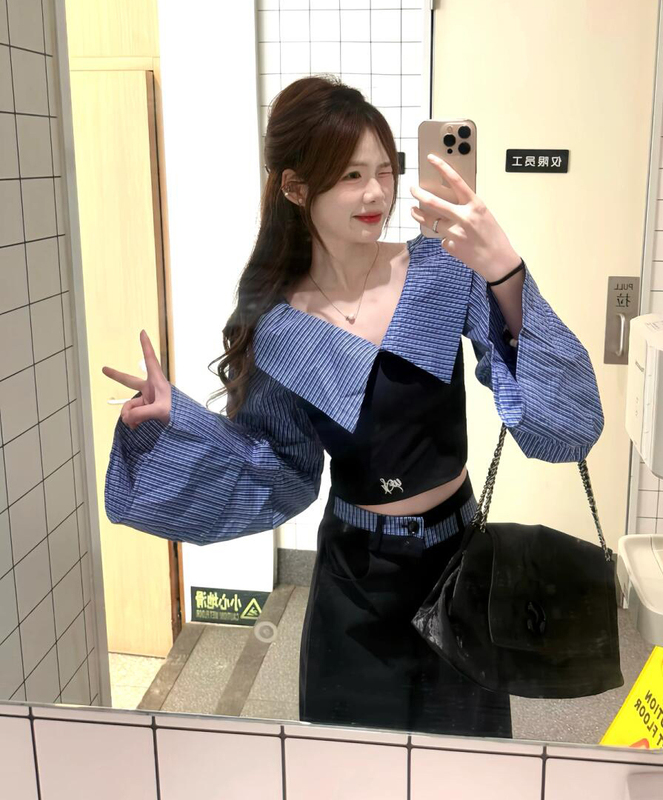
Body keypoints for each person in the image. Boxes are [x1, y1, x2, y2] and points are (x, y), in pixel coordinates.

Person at [103, 75, 604, 738]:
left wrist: (504, 268)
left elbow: (563, 427)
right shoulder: (277, 323)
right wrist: (181, 422)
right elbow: (278, 470)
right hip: (355, 582)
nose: (376, 194)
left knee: (468, 765)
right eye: (350, 175)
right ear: (295, 187)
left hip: (458, 567)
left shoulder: (441, 271)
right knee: (351, 765)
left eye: (385, 171)